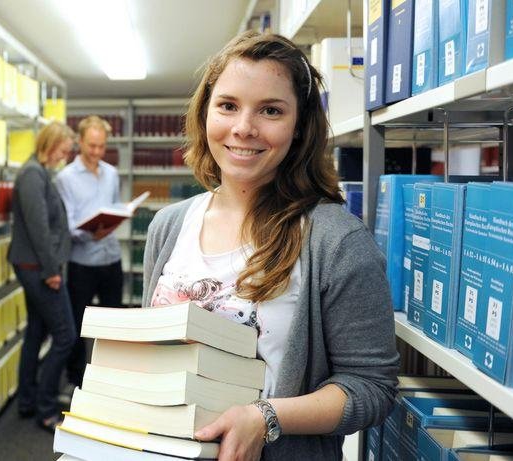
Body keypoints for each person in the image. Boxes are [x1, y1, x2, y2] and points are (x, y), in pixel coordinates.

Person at [142, 31, 399, 460]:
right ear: (205, 112)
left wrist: (265, 417)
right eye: (228, 106)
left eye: (270, 110)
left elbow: (372, 387)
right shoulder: (168, 226)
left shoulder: (336, 242)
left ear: (299, 127)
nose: (244, 127)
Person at [8, 121, 76, 432]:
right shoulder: (33, 174)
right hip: (39, 269)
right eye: (64, 148)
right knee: (65, 336)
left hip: (35, 266)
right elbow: (38, 229)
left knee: (36, 332)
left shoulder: (38, 172)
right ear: (50, 143)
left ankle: (27, 401)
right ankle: (46, 408)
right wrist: (51, 272)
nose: (66, 154)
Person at [55, 115, 124, 388]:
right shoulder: (65, 178)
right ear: (80, 142)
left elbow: (115, 206)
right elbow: (68, 225)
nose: (96, 152)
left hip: (111, 257)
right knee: (78, 327)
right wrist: (90, 232)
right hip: (81, 262)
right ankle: (77, 379)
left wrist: (118, 218)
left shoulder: (112, 174)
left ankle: (110, 376)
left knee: (112, 324)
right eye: (91, 146)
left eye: (101, 146)